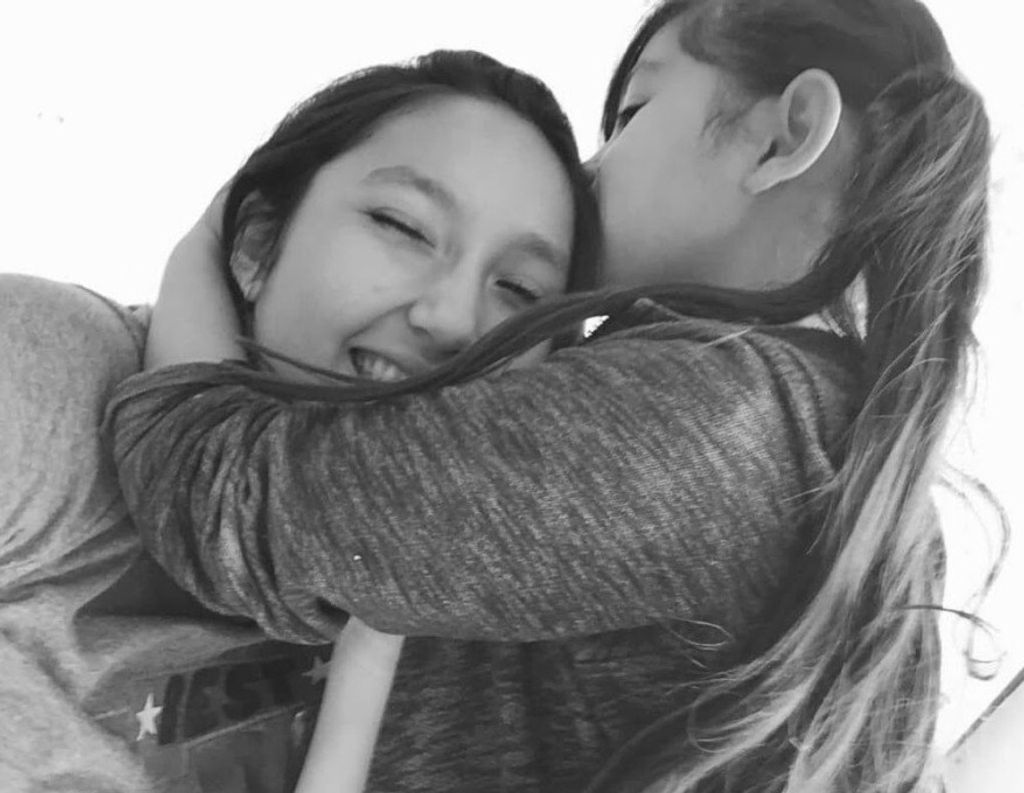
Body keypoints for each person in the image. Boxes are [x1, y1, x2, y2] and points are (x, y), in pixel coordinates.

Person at [106, 1, 993, 792]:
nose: (591, 169)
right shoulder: (838, 452)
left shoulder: (712, 423)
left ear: (782, 136)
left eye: (633, 113)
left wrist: (212, 236)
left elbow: (223, 497)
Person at [0, 49, 597, 793]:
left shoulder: (510, 608)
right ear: (255, 244)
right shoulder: (55, 380)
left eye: (520, 288)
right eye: (402, 226)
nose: (452, 319)